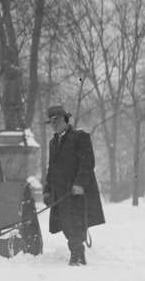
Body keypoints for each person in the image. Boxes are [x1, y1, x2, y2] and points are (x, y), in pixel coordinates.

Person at [42, 104, 105, 266]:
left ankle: (75, 256)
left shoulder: (80, 136)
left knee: (77, 222)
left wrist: (80, 184)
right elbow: (51, 168)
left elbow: (87, 162)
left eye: (56, 121)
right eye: (51, 123)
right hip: (60, 192)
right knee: (65, 225)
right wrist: (47, 190)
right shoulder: (53, 142)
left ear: (65, 119)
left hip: (77, 191)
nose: (54, 125)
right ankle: (79, 252)